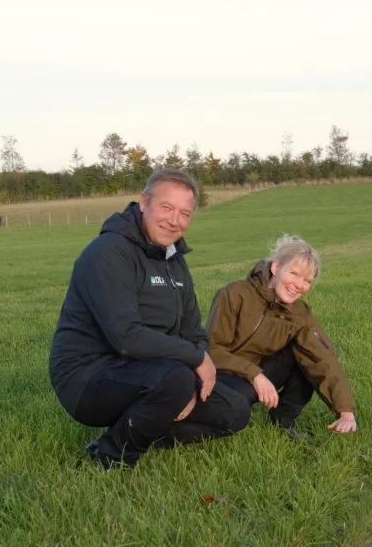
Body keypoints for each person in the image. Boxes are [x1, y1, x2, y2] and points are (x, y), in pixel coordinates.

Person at [49, 169, 251, 468]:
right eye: (166, 207)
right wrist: (196, 362)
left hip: (153, 370)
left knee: (234, 409)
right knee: (175, 379)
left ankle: (142, 427)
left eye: (185, 213)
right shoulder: (107, 253)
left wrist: (192, 383)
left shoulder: (175, 261)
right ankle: (111, 455)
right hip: (88, 376)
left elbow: (192, 330)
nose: (174, 220)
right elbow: (127, 338)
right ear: (143, 202)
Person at [206, 234, 358, 438]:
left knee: (306, 358)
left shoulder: (299, 313)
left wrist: (345, 411)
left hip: (257, 374)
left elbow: (322, 358)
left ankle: (282, 421)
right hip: (221, 373)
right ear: (276, 268)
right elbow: (211, 350)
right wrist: (254, 374)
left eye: (307, 281)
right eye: (294, 273)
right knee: (235, 406)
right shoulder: (235, 293)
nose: (299, 285)